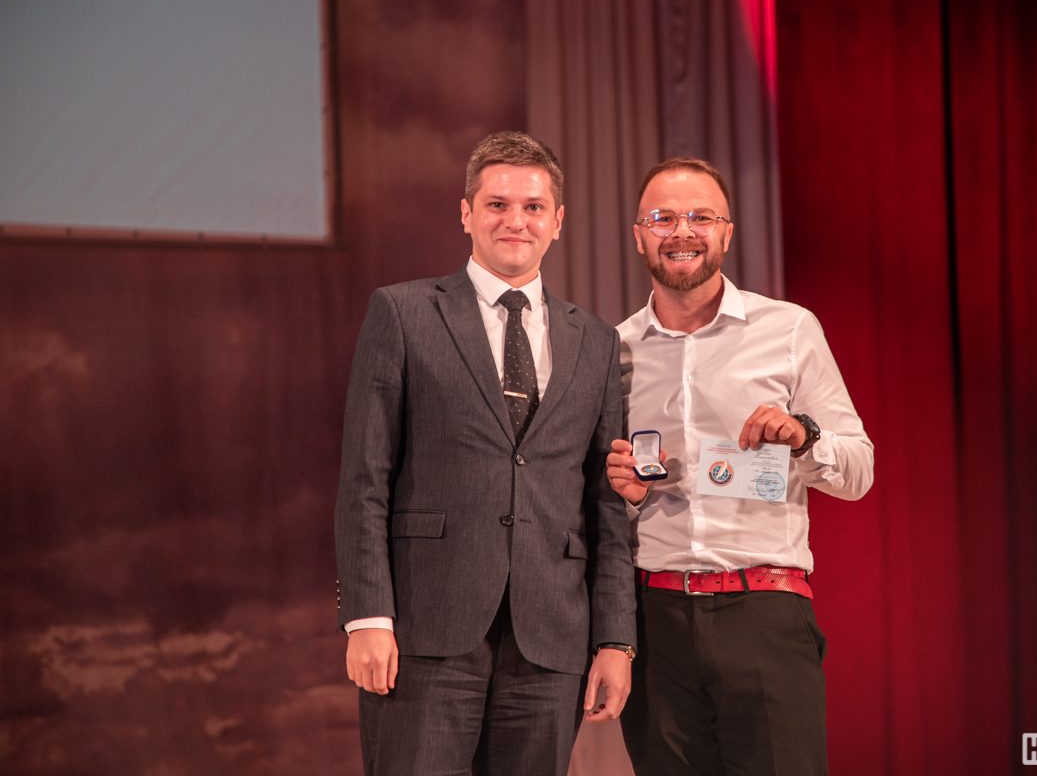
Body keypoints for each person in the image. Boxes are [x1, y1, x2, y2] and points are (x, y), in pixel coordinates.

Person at [334, 131, 636, 776]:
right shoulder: (404, 312)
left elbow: (605, 504)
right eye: (497, 204)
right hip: (423, 632)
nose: (515, 220)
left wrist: (616, 639)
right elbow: (365, 479)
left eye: (533, 207)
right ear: (467, 213)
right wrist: (366, 615)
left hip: (550, 641)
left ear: (558, 221)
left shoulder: (596, 339)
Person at [606, 158, 874, 775]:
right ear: (639, 235)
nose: (682, 231)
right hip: (655, 623)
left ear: (727, 233)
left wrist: (803, 439)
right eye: (662, 218)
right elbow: (603, 501)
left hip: (765, 611)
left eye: (701, 217)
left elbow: (859, 470)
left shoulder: (789, 329)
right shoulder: (612, 350)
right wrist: (625, 493)